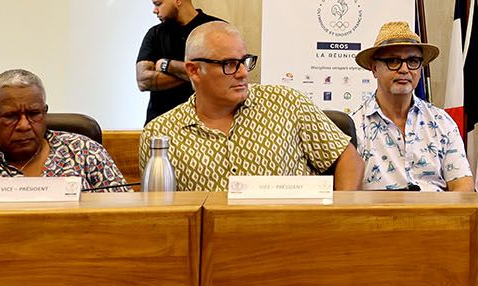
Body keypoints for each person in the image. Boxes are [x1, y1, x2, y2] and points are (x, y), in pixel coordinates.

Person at [139, 22, 360, 191]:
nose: (244, 73)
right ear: (194, 71)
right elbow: (160, 213)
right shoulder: (160, 135)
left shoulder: (286, 103)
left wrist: (337, 219)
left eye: (244, 61)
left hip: (296, 240)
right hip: (213, 246)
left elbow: (350, 160)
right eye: (229, 64)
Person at [349, 21, 471, 191]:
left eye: (413, 61)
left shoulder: (442, 122)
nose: (404, 69)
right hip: (378, 215)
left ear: (420, 69)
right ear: (374, 68)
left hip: (436, 216)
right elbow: (345, 197)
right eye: (393, 61)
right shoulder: (354, 127)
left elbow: (463, 188)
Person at [135, 0, 224, 124]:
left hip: (204, 127)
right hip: (160, 128)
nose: (154, 10)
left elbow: (221, 76)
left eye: (158, 4)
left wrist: (167, 65)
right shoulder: (155, 34)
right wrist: (199, 74)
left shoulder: (216, 29)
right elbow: (143, 81)